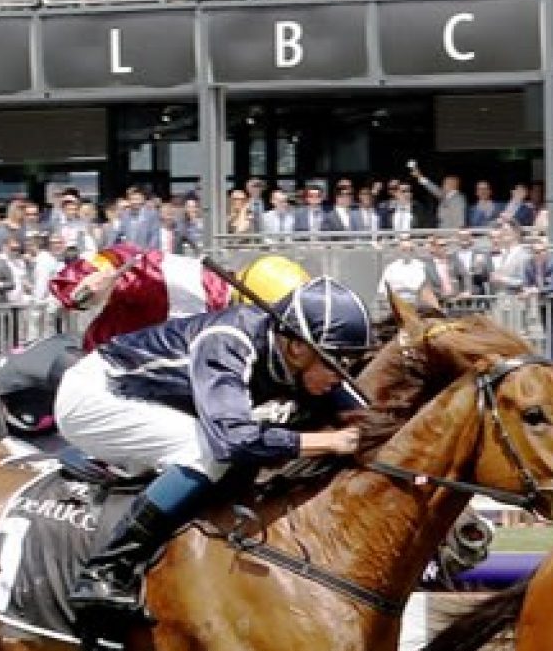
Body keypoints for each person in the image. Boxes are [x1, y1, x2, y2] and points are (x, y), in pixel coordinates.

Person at [53, 275, 371, 614]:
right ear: (297, 347)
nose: (342, 374)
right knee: (204, 452)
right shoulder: (228, 342)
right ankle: (106, 570)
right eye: (338, 361)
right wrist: (326, 441)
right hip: (96, 396)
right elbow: (232, 440)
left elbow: (363, 414)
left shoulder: (298, 355)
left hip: (149, 399)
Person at [48, 242, 244, 351]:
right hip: (110, 367)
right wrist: (83, 290)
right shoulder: (152, 271)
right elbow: (82, 277)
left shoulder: (240, 330)